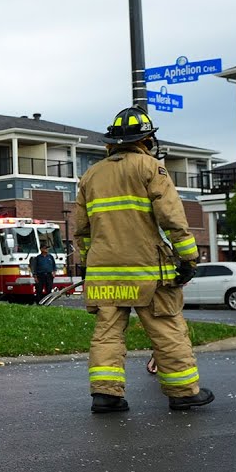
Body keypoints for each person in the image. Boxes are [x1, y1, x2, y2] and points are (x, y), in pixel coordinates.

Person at [72, 106, 214, 413]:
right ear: (146, 139)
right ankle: (183, 391)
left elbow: (81, 231)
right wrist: (188, 260)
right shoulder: (151, 168)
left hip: (105, 275)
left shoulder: (90, 175)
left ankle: (105, 395)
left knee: (107, 334)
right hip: (149, 272)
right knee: (166, 329)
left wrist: (87, 265)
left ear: (112, 141)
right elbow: (172, 219)